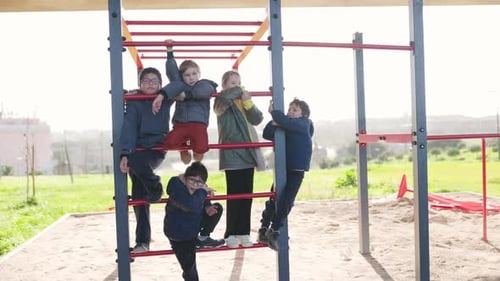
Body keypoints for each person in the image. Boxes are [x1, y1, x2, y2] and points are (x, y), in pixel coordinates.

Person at [119, 67, 184, 253]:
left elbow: (179, 83)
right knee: (139, 197)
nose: (150, 84)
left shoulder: (165, 99)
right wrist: (125, 153)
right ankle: (142, 242)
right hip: (135, 149)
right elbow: (129, 127)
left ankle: (155, 185)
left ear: (160, 84)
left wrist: (163, 95)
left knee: (138, 167)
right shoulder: (133, 100)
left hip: (155, 148)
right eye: (146, 80)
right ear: (139, 84)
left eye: (154, 81)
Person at [213, 70, 266, 248]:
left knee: (247, 196)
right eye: (233, 83)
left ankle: (243, 232)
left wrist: (248, 101)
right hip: (232, 153)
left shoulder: (242, 101)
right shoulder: (221, 100)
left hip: (248, 152)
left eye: (239, 82)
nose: (237, 86)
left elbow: (257, 119)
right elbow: (219, 107)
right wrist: (240, 91)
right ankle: (230, 233)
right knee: (234, 196)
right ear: (224, 86)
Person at [257, 98, 314, 251]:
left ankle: (274, 230)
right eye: (289, 109)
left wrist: (275, 115)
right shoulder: (286, 125)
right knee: (273, 198)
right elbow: (267, 133)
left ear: (304, 114)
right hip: (282, 169)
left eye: (295, 110)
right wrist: (275, 121)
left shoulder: (303, 123)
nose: (290, 112)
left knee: (287, 200)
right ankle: (263, 228)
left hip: (297, 170)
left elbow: (288, 122)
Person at [152, 39, 217, 164]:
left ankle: (196, 150)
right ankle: (183, 148)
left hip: (198, 124)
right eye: (187, 75)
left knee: (201, 147)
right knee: (168, 143)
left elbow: (203, 92)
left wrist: (186, 95)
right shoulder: (180, 86)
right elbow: (172, 72)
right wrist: (169, 51)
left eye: (194, 73)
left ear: (199, 74)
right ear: (182, 77)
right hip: (180, 123)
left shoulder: (204, 84)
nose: (191, 77)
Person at [163, 162, 224, 281]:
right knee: (189, 267)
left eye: (199, 182)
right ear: (185, 177)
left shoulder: (198, 188)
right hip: (179, 234)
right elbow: (190, 205)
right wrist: (203, 191)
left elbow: (199, 201)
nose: (194, 184)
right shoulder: (176, 185)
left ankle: (203, 238)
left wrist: (207, 206)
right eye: (192, 180)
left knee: (217, 208)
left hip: (192, 228)